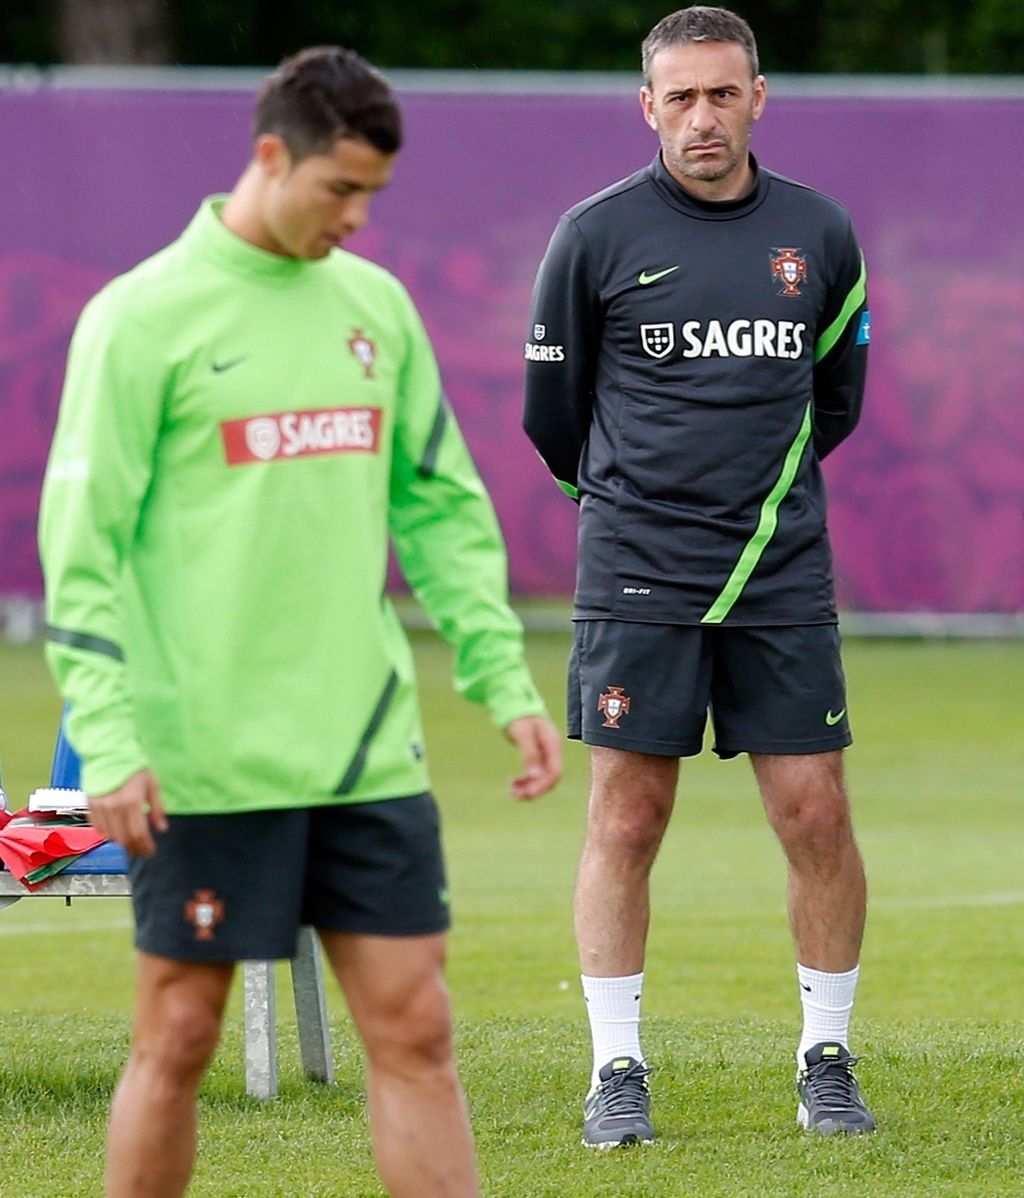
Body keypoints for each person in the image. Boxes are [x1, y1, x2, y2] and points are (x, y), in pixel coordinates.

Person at [40, 46, 561, 1198]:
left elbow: (439, 509)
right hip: (205, 762)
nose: (359, 218)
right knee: (176, 1036)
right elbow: (82, 554)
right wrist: (111, 740)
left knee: (418, 1029)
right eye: (340, 188)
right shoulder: (139, 320)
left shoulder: (374, 308)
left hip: (364, 751)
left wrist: (503, 680)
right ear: (270, 156)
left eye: (375, 192)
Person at [523, 5, 874, 1147]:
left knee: (814, 812)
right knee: (627, 817)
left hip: (778, 576)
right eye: (679, 97)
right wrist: (635, 514)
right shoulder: (593, 235)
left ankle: (826, 1054)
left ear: (758, 97)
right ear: (648, 108)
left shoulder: (819, 235)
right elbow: (551, 418)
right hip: (636, 576)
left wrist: (752, 507)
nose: (702, 116)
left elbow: (836, 404)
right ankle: (615, 1068)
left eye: (722, 93)